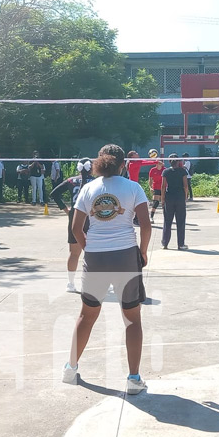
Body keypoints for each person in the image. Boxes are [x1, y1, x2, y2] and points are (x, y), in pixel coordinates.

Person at [62, 144, 151, 395]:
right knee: (132, 318)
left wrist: (89, 249)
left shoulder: (88, 189)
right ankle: (133, 379)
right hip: (125, 257)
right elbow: (145, 224)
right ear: (123, 164)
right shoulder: (133, 188)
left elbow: (76, 228)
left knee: (86, 315)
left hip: (96, 258)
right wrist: (143, 251)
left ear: (99, 162)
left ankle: (70, 369)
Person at [50, 157, 95, 293]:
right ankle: (97, 281)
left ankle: (70, 283)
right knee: (96, 251)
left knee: (74, 253)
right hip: (90, 216)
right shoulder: (96, 181)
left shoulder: (71, 180)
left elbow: (54, 193)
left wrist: (66, 209)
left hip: (75, 215)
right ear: (91, 167)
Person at [160, 154, 189, 250]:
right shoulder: (182, 171)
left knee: (167, 221)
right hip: (179, 197)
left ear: (169, 162)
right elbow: (185, 185)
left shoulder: (166, 171)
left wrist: (162, 199)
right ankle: (180, 244)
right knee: (180, 221)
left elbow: (163, 186)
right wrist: (185, 197)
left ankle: (165, 243)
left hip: (169, 197)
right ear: (178, 162)